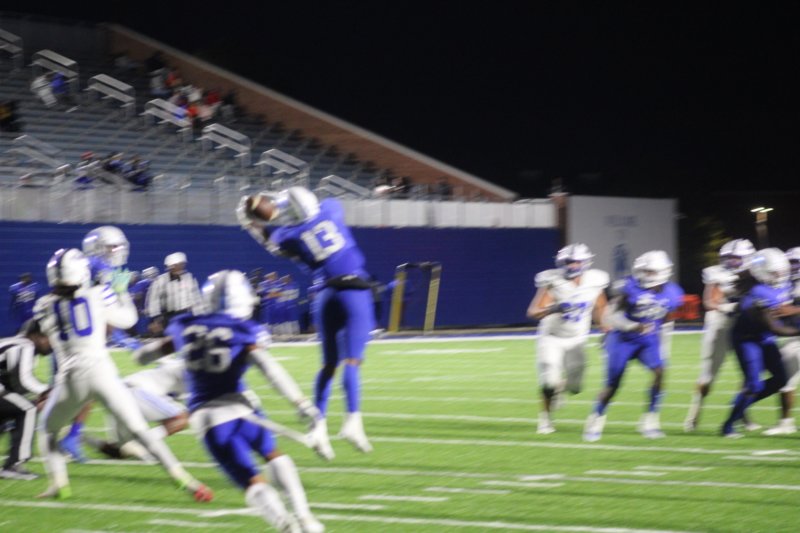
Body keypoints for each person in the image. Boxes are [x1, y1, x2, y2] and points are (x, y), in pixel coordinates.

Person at [135, 270, 325, 532]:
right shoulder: (243, 329)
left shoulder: (184, 325)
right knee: (274, 455)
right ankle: (305, 517)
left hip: (208, 419)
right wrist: (301, 403)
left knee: (253, 481)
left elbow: (143, 356)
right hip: (244, 409)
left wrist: (153, 354)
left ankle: (286, 526)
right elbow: (270, 369)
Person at [34, 248, 212, 500]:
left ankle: (59, 483)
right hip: (102, 373)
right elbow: (128, 320)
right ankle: (185, 479)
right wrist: (120, 291)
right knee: (139, 430)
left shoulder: (43, 305)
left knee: (48, 430)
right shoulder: (97, 294)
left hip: (70, 378)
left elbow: (52, 324)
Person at [237, 186, 375, 455]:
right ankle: (352, 421)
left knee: (328, 365)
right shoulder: (331, 210)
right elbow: (314, 203)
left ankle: (318, 426)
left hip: (324, 294)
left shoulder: (289, 235)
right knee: (352, 361)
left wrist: (251, 224)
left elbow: (271, 239)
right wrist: (282, 199)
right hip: (354, 288)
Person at [583, 250, 684, 442]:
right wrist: (634, 326)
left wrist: (663, 342)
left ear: (663, 272)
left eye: (650, 271)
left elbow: (667, 319)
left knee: (660, 372)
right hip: (622, 339)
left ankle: (650, 419)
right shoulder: (628, 287)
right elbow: (610, 316)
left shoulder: (673, 293)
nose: (645, 275)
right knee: (613, 385)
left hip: (648, 340)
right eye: (644, 270)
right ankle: (596, 417)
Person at [526, 244, 609, 434]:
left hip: (577, 339)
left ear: (585, 263)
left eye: (576, 262)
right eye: (568, 262)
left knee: (575, 388)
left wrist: (605, 329)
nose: (572, 266)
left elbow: (600, 307)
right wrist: (554, 308)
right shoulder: (553, 281)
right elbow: (533, 311)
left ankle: (560, 388)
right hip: (552, 337)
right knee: (548, 380)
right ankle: (545, 420)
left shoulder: (595, 281)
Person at [721, 248, 800, 438]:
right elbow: (776, 328)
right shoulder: (758, 293)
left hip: (764, 337)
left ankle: (742, 402)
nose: (780, 275)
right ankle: (728, 426)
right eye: (775, 272)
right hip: (747, 339)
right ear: (762, 272)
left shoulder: (781, 285)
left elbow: (784, 309)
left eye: (782, 271)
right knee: (754, 384)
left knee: (781, 379)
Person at [684, 239, 756, 432]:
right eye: (728, 258)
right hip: (720, 327)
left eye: (736, 258)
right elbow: (709, 302)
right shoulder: (717, 274)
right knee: (708, 375)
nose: (731, 262)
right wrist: (728, 307)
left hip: (745, 328)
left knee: (750, 374)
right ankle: (694, 414)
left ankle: (741, 414)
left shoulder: (756, 274)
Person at [0, 320, 51, 480]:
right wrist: (48, 391)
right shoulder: (25, 346)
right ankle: (14, 465)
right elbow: (22, 380)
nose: (51, 343)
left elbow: (14, 384)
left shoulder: (15, 343)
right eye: (47, 337)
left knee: (11, 411)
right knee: (28, 409)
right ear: (34, 336)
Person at [763, 247, 800, 435]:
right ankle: (786, 423)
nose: (791, 267)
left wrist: (792, 310)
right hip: (793, 337)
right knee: (785, 379)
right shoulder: (785, 284)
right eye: (789, 262)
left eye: (794, 263)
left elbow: (788, 309)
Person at [145, 252, 203, 336]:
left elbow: (196, 299)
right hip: (167, 317)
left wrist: (199, 316)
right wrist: (156, 319)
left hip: (185, 315)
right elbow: (153, 301)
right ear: (170, 266)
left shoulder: (189, 278)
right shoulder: (160, 280)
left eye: (182, 264)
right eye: (178, 265)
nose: (181, 267)